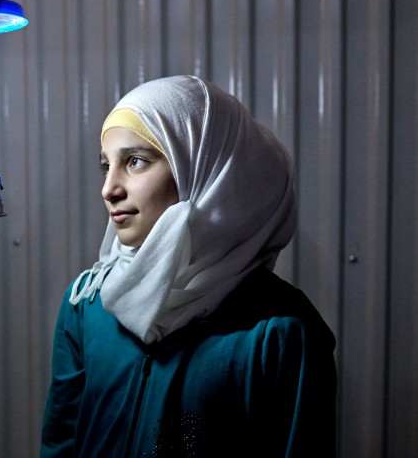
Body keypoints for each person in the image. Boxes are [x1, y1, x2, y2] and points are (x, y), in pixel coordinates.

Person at [40, 75, 337, 457]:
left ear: (202, 169)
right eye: (106, 165)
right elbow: (60, 445)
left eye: (135, 161)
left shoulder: (278, 334)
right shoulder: (87, 306)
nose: (109, 188)